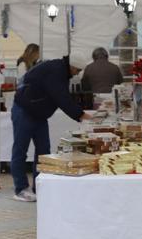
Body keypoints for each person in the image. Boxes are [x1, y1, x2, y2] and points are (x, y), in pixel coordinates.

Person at [11, 51, 90, 202]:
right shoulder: (56, 71)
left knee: (44, 152)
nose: (77, 74)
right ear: (72, 66)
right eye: (77, 70)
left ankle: (40, 186)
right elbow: (61, 98)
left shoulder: (61, 71)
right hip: (24, 110)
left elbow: (61, 96)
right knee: (20, 150)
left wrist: (79, 113)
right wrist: (81, 115)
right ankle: (20, 188)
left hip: (38, 113)